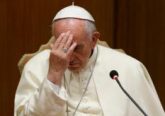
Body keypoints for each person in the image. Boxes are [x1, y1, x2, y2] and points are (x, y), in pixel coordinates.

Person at [14, 4, 165, 116]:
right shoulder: (36, 66)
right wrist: (54, 74)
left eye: (77, 48)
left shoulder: (128, 68)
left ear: (94, 39)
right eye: (63, 46)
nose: (69, 57)